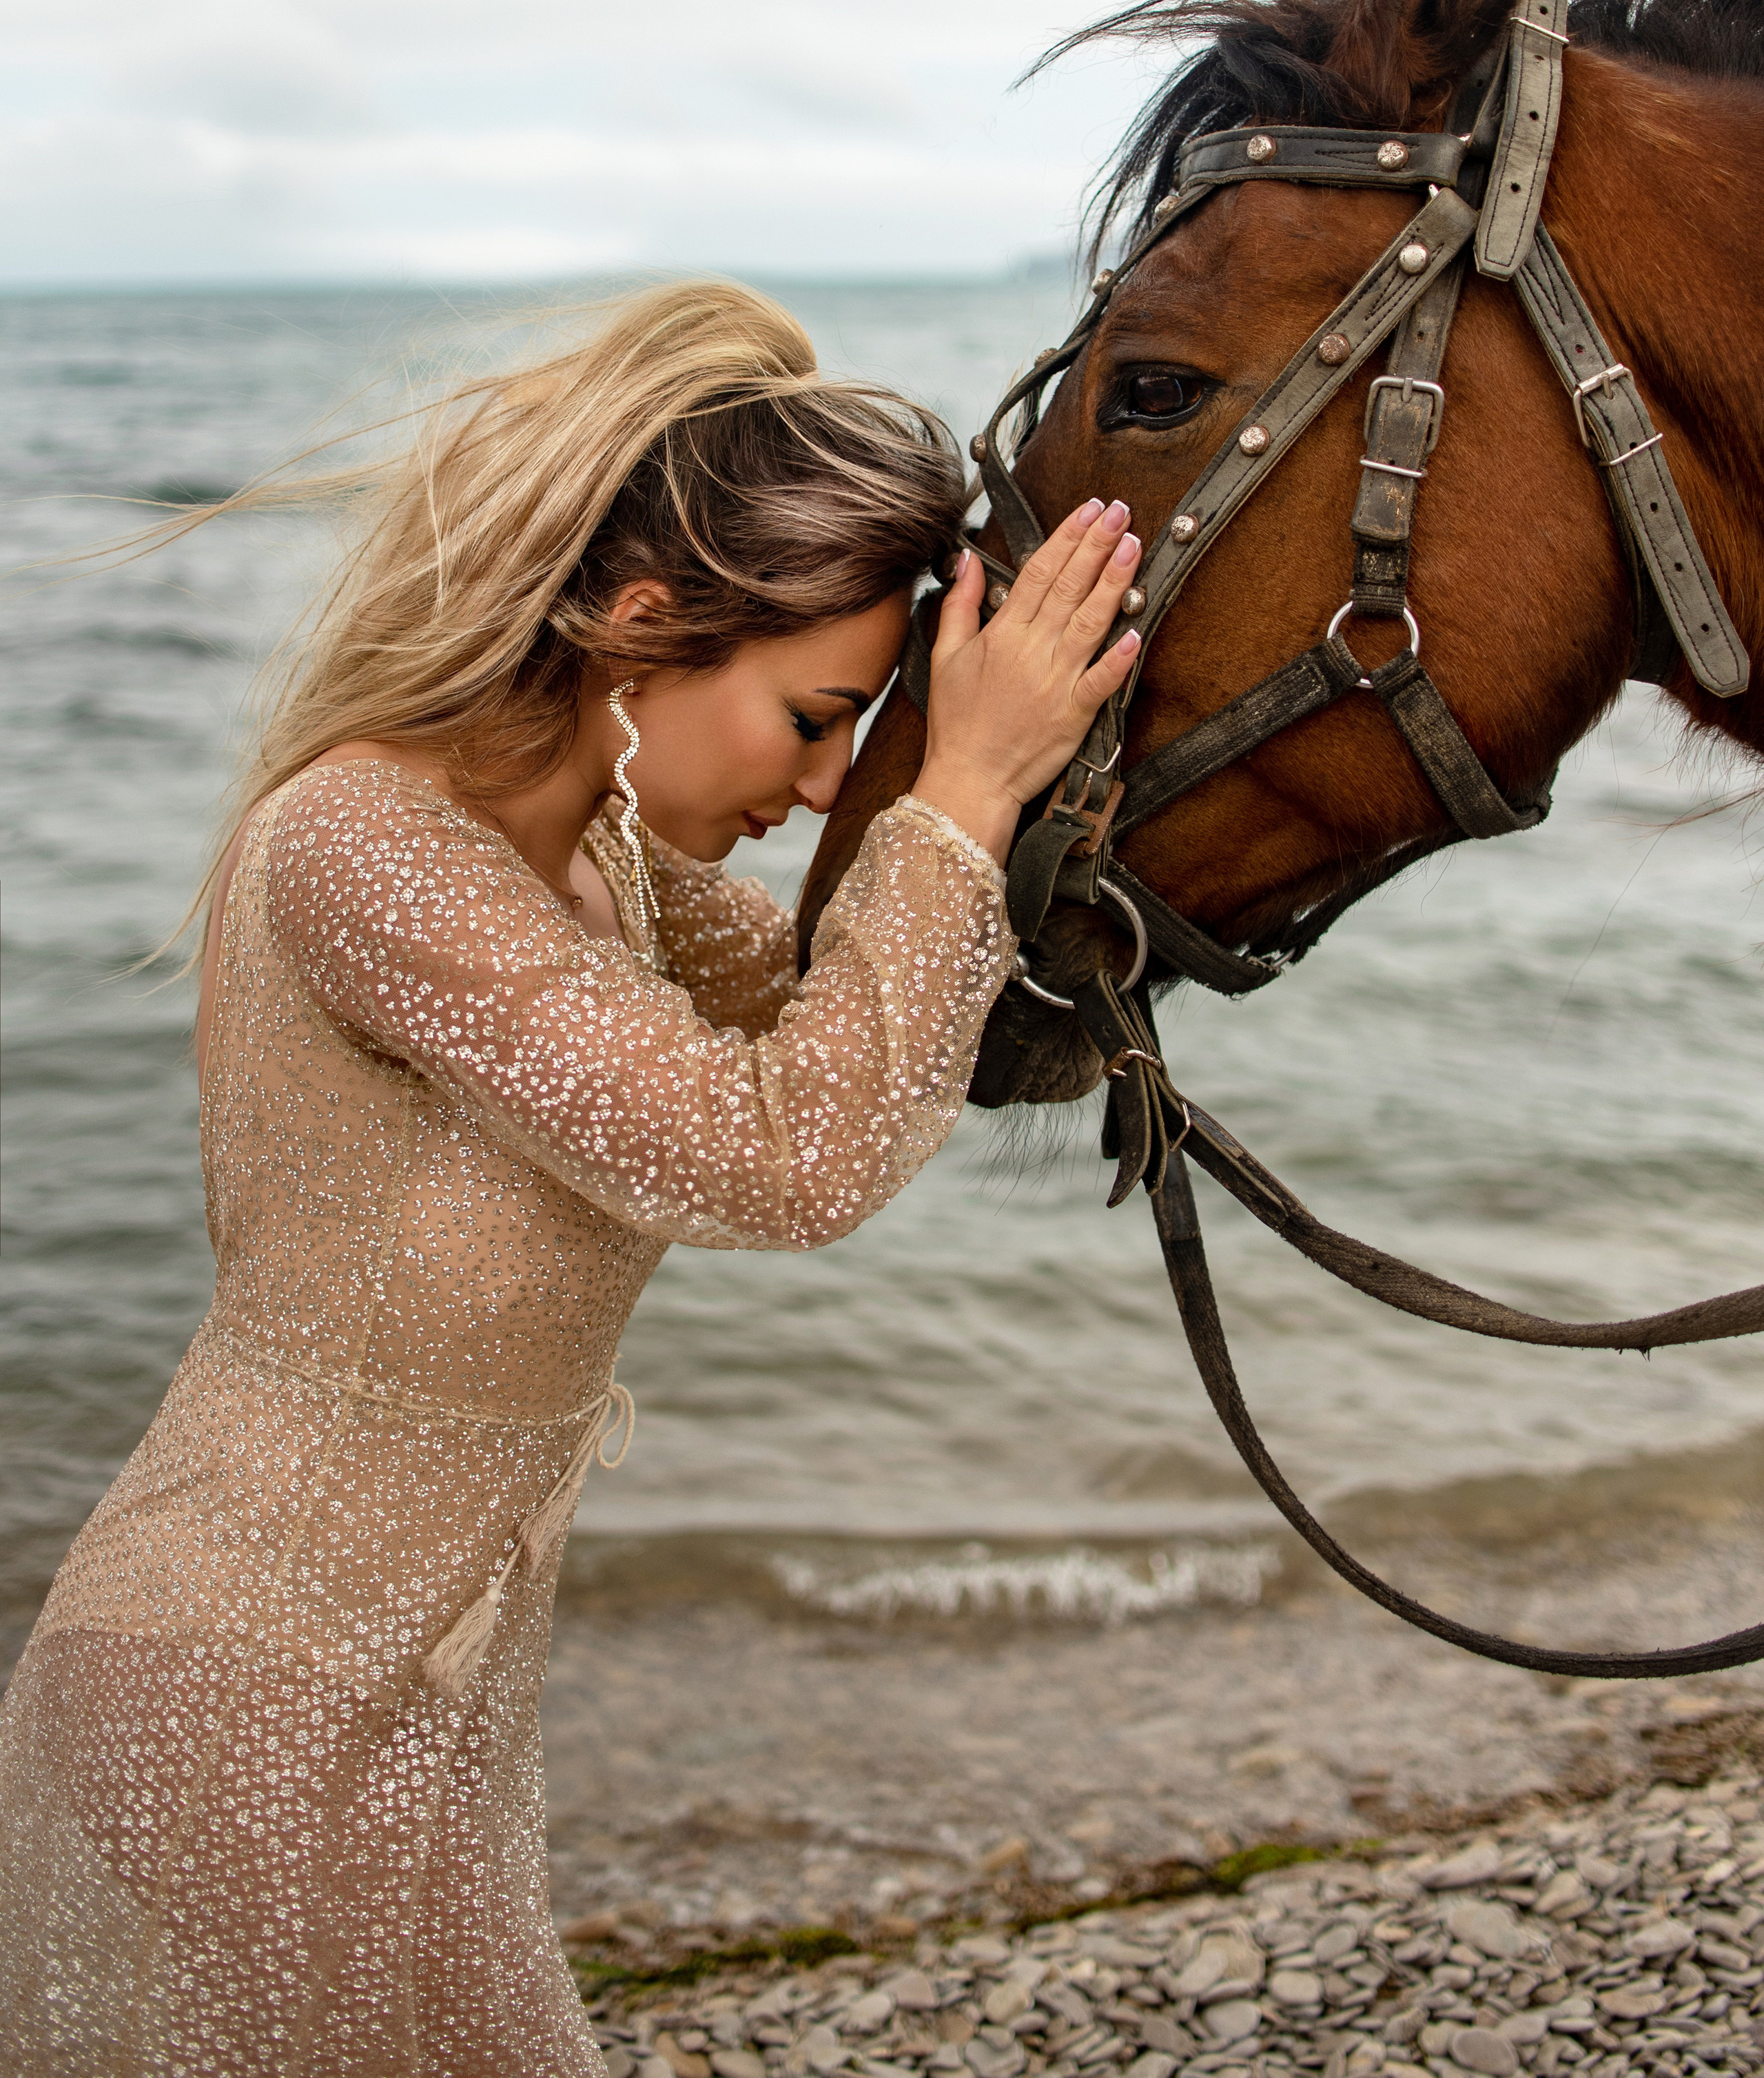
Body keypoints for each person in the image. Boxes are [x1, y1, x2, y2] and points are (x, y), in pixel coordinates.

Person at [0, 278, 1143, 2077]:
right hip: (233, 1698)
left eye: (862, 736)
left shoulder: (608, 862)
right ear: (635, 626)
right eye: (816, 717)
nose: (826, 781)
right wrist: (967, 787)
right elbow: (789, 1154)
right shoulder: (364, 845)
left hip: (427, 1709)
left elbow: (865, 1017)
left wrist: (1040, 802)